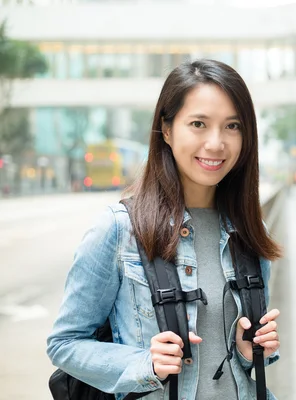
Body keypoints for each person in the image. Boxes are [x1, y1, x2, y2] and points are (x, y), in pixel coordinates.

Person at [47, 59, 282, 400]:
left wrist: (251, 353)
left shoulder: (248, 231)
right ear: (167, 130)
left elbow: (241, 364)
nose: (216, 143)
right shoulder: (119, 230)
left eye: (233, 126)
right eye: (199, 124)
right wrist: (145, 364)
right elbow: (64, 344)